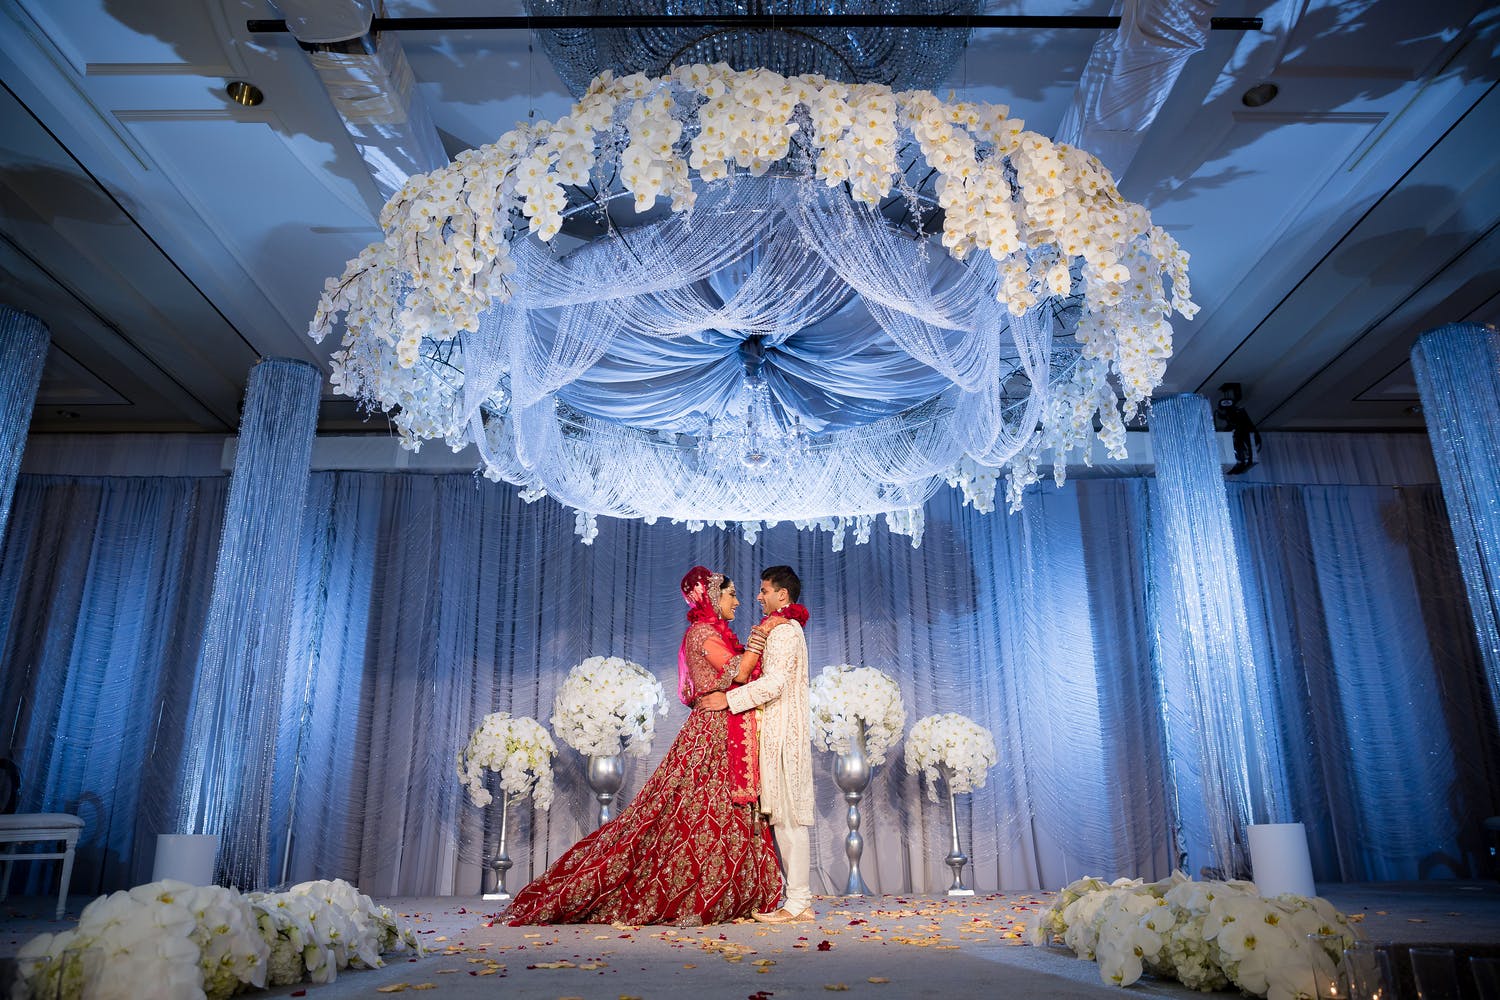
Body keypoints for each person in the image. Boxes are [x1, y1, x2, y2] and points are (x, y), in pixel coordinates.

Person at [503, 566, 784, 926]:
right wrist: (764, 631)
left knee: (712, 811)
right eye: (731, 594)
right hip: (712, 732)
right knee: (691, 813)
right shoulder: (702, 633)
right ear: (713, 597)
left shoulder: (714, 632)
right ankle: (691, 889)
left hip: (724, 728)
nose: (738, 601)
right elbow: (740, 673)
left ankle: (727, 888)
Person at [726, 565, 814, 924]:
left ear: (782, 595)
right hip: (781, 730)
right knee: (783, 818)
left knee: (789, 818)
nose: (758, 596)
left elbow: (775, 683)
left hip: (783, 734)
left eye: (764, 590)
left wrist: (729, 700)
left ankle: (798, 902)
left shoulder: (783, 632)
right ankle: (798, 900)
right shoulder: (783, 628)